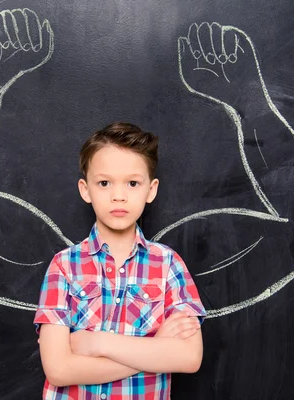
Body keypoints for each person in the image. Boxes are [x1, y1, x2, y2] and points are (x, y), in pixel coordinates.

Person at [34, 122, 207, 399]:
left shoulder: (168, 265)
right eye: (104, 183)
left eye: (133, 183)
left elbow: (188, 358)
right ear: (85, 189)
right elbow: (59, 369)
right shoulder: (64, 266)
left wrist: (96, 342)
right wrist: (155, 350)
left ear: (151, 190)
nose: (118, 195)